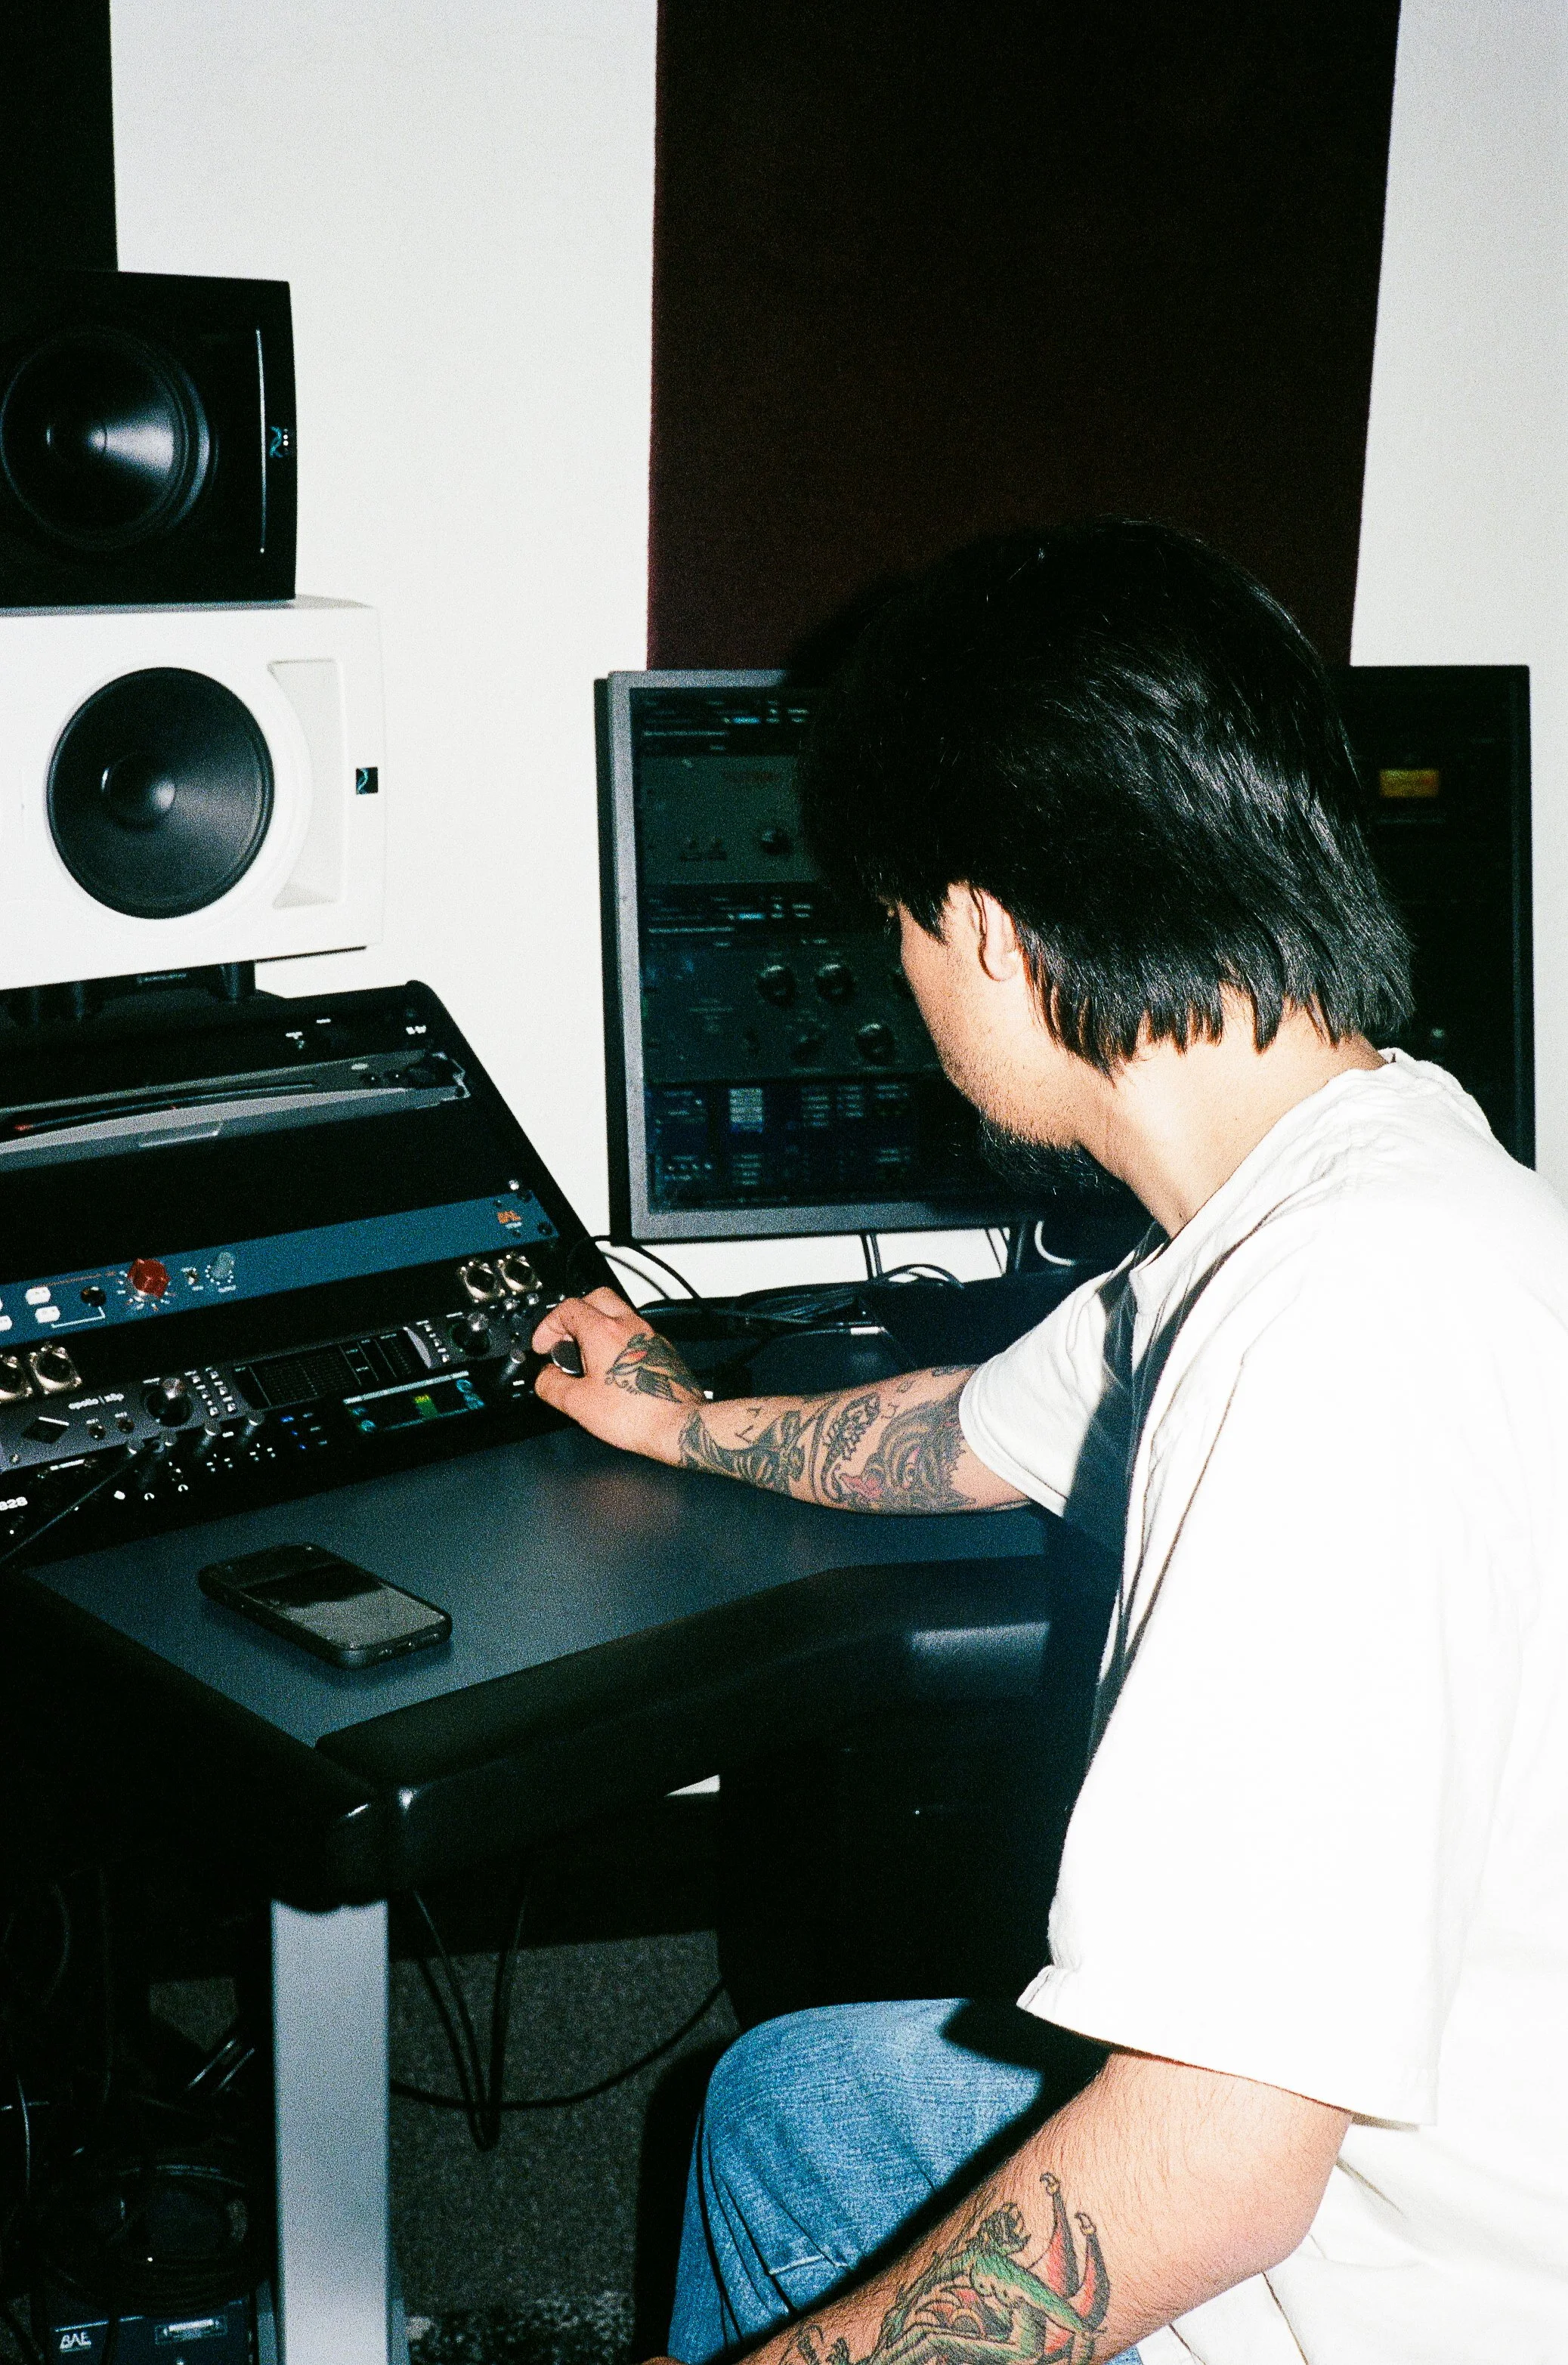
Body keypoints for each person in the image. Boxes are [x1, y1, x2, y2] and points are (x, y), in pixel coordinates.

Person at [533, 521, 1568, 2363]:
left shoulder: (1331, 1342)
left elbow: (1209, 2166)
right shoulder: (1359, 1185)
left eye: (901, 921)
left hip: (1403, 2287)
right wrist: (676, 1416)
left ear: (993, 931)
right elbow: (959, 1432)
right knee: (792, 2101)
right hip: (1436, 2146)